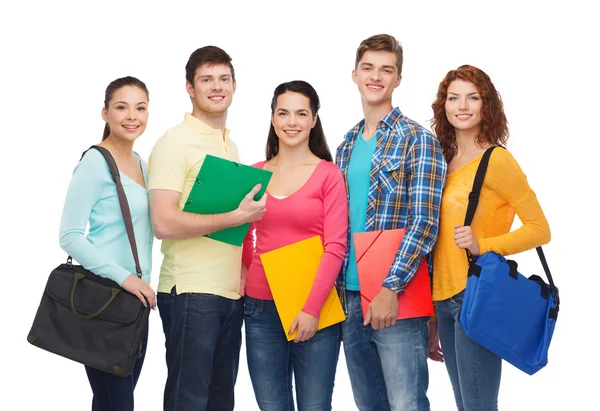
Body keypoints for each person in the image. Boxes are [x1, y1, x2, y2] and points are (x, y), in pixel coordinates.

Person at [148, 45, 267, 411]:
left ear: (234, 85)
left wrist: (244, 268)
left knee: (219, 402)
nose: (217, 87)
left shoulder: (229, 145)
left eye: (223, 78)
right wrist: (236, 217)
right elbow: (162, 222)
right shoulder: (174, 143)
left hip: (230, 294)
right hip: (190, 292)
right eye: (206, 79)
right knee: (189, 400)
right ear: (190, 87)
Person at [427, 64, 551, 410]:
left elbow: (540, 229)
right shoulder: (444, 160)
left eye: (472, 97)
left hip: (475, 294)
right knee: (465, 404)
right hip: (442, 299)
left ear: (486, 105)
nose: (462, 106)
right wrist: (433, 317)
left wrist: (485, 245)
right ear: (444, 105)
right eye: (454, 98)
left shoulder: (497, 160)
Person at [335, 34, 446, 411]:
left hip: (395, 296)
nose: (376, 76)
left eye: (387, 69)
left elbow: (425, 223)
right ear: (354, 74)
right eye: (368, 68)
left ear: (398, 79)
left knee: (406, 404)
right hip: (348, 296)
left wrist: (389, 287)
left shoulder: (417, 139)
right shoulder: (346, 145)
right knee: (369, 405)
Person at [241, 80, 348, 411]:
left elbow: (336, 247)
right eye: (283, 113)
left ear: (314, 119)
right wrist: (245, 273)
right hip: (260, 307)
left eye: (301, 114)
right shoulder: (255, 173)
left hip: (315, 307)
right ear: (272, 118)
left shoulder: (328, 175)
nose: (292, 122)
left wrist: (310, 309)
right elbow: (241, 232)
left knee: (315, 407)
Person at [59, 76, 156, 411]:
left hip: (136, 306)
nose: (132, 116)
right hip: (104, 301)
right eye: (122, 107)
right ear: (105, 113)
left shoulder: (143, 164)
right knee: (117, 403)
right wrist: (125, 278)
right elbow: (69, 234)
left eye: (140, 108)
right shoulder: (95, 162)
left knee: (109, 403)